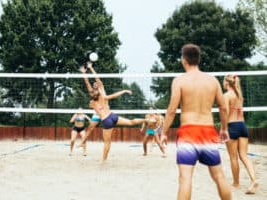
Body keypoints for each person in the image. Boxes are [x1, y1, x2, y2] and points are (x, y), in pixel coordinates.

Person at [161, 44, 232, 200]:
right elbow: (223, 107)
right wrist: (224, 128)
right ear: (198, 59)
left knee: (185, 179)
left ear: (184, 60)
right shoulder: (212, 81)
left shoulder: (179, 81)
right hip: (208, 131)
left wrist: (164, 132)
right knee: (219, 176)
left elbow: (172, 110)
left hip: (188, 133)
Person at [80, 62, 150, 163]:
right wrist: (90, 69)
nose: (95, 84)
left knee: (107, 142)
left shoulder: (95, 98)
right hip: (112, 116)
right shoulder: (102, 95)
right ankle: (145, 119)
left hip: (107, 120)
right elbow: (93, 82)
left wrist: (85, 72)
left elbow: (92, 82)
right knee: (131, 122)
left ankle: (103, 161)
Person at [223, 74, 258, 194]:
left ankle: (236, 183)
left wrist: (223, 129)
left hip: (232, 126)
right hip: (242, 126)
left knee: (233, 157)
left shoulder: (226, 96)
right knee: (244, 156)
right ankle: (253, 180)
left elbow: (226, 115)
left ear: (226, 83)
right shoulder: (239, 96)